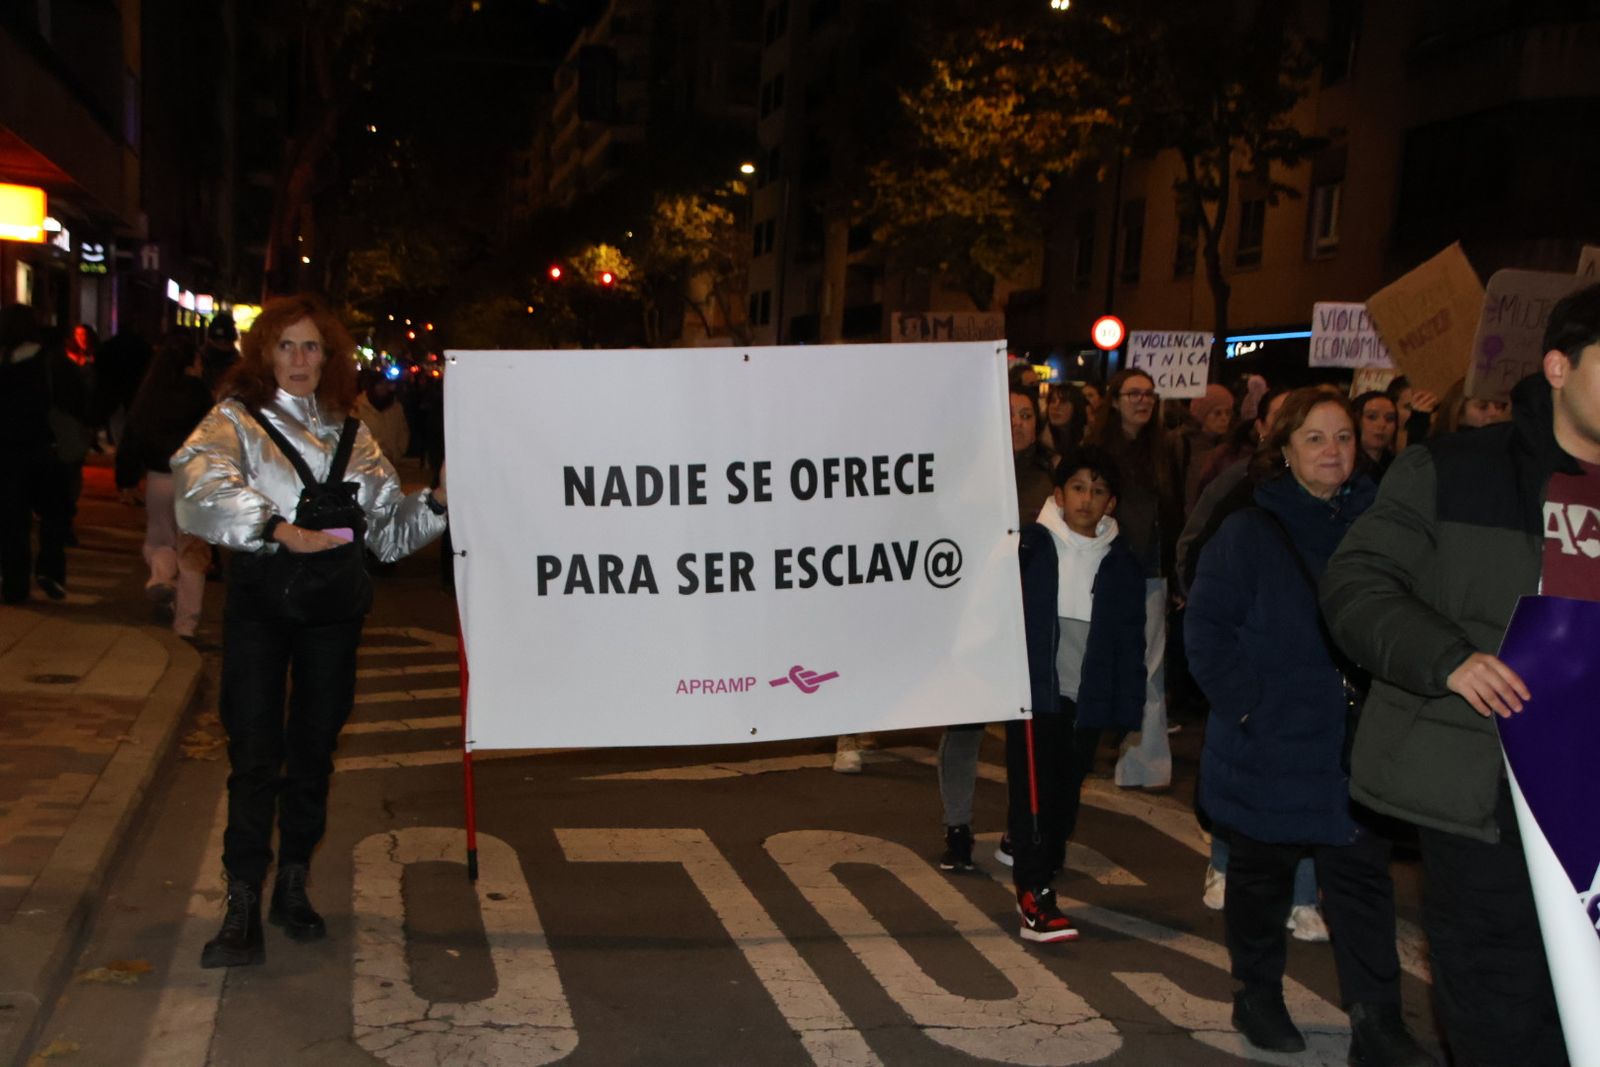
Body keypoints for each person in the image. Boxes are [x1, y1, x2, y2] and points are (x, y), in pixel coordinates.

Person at [1319, 286, 1600, 1067]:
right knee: (1504, 1012)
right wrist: (1449, 658)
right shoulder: (1454, 470)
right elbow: (1357, 585)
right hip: (1489, 795)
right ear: (1557, 366)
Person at [173, 294, 449, 969]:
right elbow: (198, 483)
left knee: (316, 746)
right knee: (255, 749)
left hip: (332, 612)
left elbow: (387, 535)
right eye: (286, 346)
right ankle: (242, 896)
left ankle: (291, 881)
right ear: (265, 352)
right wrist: (277, 529)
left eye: (312, 347)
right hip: (262, 605)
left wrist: (438, 502)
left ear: (331, 357)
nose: (299, 359)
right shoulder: (236, 421)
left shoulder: (354, 434)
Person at [1186, 389, 1429, 1063]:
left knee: (1360, 881)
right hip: (1273, 737)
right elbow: (1205, 628)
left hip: (1354, 740)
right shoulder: (1249, 529)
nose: (1333, 451)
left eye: (1344, 437)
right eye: (1316, 438)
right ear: (1285, 449)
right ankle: (1257, 995)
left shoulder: (1384, 528)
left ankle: (1377, 1020)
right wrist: (1247, 705)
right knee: (1261, 877)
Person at [1010, 446, 1145, 941]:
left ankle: (1042, 859)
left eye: (1099, 490)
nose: (1087, 499)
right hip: (1034, 691)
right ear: (1058, 494)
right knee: (1034, 795)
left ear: (1111, 503)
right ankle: (1034, 893)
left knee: (1066, 794)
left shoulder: (1121, 563)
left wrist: (1126, 707)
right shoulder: (1029, 547)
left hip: (1086, 699)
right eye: (1078, 487)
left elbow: (1133, 641)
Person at [934, 388, 1056, 849]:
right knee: (964, 725)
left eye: (1027, 414)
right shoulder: (965, 473)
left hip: (1030, 621)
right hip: (974, 619)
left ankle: (1018, 829)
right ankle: (958, 826)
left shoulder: (1053, 476)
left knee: (1026, 734)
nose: (1019, 423)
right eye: (1009, 415)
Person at [1085, 369, 1182, 789]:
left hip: (1151, 571)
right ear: (1116, 400)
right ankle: (1087, 748)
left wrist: (1176, 572)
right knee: (1096, 661)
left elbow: (1175, 512)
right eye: (1134, 394)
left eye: (1149, 394)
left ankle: (1148, 764)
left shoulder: (1166, 450)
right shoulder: (1097, 450)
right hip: (1105, 568)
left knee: (1150, 669)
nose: (1143, 401)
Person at [121, 334, 216, 637]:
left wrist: (125, 478)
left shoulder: (150, 393)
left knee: (158, 539)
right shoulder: (199, 395)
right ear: (191, 363)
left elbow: (132, 435)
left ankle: (161, 575)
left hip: (158, 478)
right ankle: (186, 623)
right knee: (193, 554)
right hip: (193, 480)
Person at [0, 304, 70, 603]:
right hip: (43, 449)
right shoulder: (47, 361)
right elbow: (68, 401)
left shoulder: (4, 362)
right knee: (54, 514)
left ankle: (14, 584)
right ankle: (50, 569)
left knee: (12, 521)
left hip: (6, 453)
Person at [1183, 384, 1235, 511]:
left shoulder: (1231, 446)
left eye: (1228, 413)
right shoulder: (1184, 443)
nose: (1224, 418)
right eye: (1217, 413)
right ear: (1202, 415)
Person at [354, 372, 410, 464]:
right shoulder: (358, 407)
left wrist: (397, 452)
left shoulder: (396, 408)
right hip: (366, 462)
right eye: (380, 384)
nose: (383, 388)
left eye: (386, 384)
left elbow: (403, 431)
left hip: (390, 461)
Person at [1043, 383, 1088, 455]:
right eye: (1052, 401)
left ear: (1076, 407)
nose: (1055, 406)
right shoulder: (1039, 442)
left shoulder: (1089, 441)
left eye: (1063, 402)